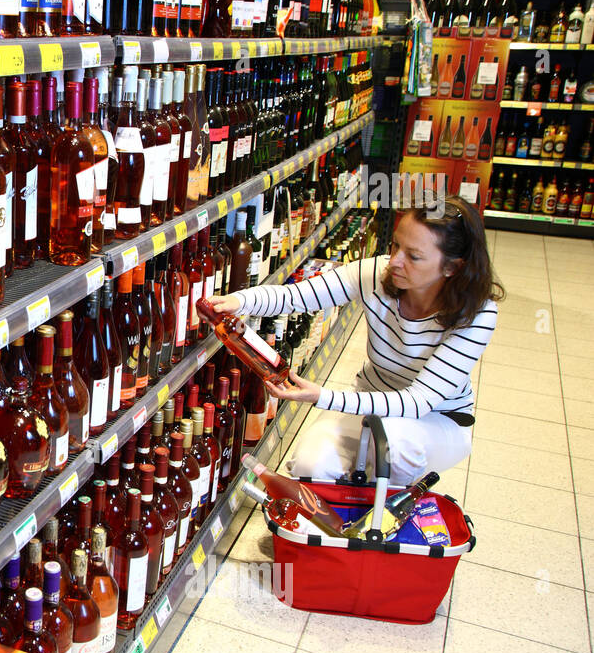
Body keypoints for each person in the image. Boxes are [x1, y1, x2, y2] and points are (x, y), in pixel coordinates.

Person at [205, 196, 504, 487]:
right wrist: (237, 300)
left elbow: (417, 402)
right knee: (310, 468)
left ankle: (383, 517)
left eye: (413, 256)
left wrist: (321, 396)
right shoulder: (377, 273)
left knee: (394, 450)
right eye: (396, 245)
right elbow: (295, 296)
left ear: (452, 268)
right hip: (371, 403)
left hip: (436, 420)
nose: (395, 262)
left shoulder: (477, 314)